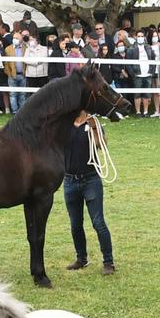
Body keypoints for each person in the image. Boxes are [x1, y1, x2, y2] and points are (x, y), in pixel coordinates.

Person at [62, 109, 114, 275]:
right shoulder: (65, 124)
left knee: (98, 222)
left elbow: (102, 145)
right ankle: (81, 258)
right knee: (75, 224)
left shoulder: (93, 122)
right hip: (70, 180)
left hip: (90, 179)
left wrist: (93, 128)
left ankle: (108, 262)